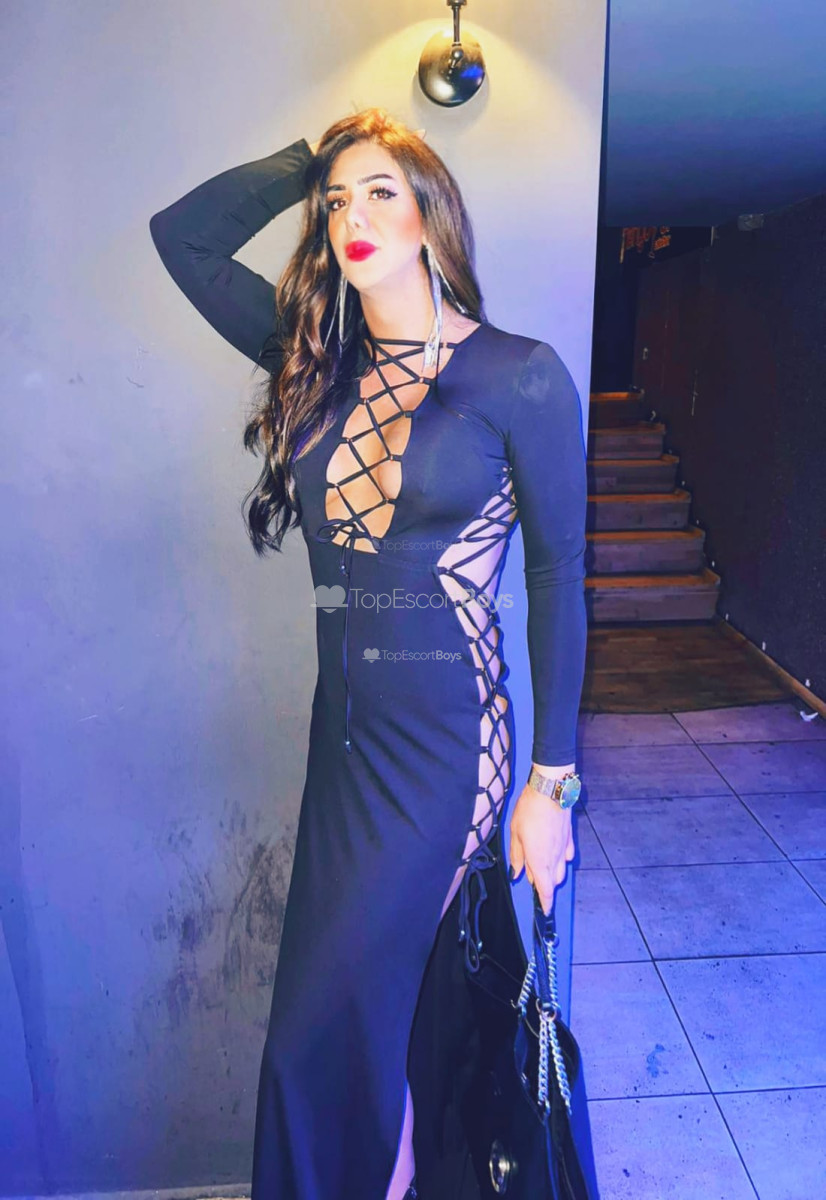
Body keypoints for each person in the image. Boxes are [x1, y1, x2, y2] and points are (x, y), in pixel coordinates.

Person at [149, 107, 591, 1200]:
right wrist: (313, 158)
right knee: (364, 1030)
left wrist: (550, 787)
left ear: (432, 216)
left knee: (332, 1034)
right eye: (337, 201)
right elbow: (182, 238)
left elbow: (556, 578)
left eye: (381, 191)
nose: (353, 214)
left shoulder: (518, 376)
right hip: (345, 743)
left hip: (448, 744)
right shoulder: (316, 360)